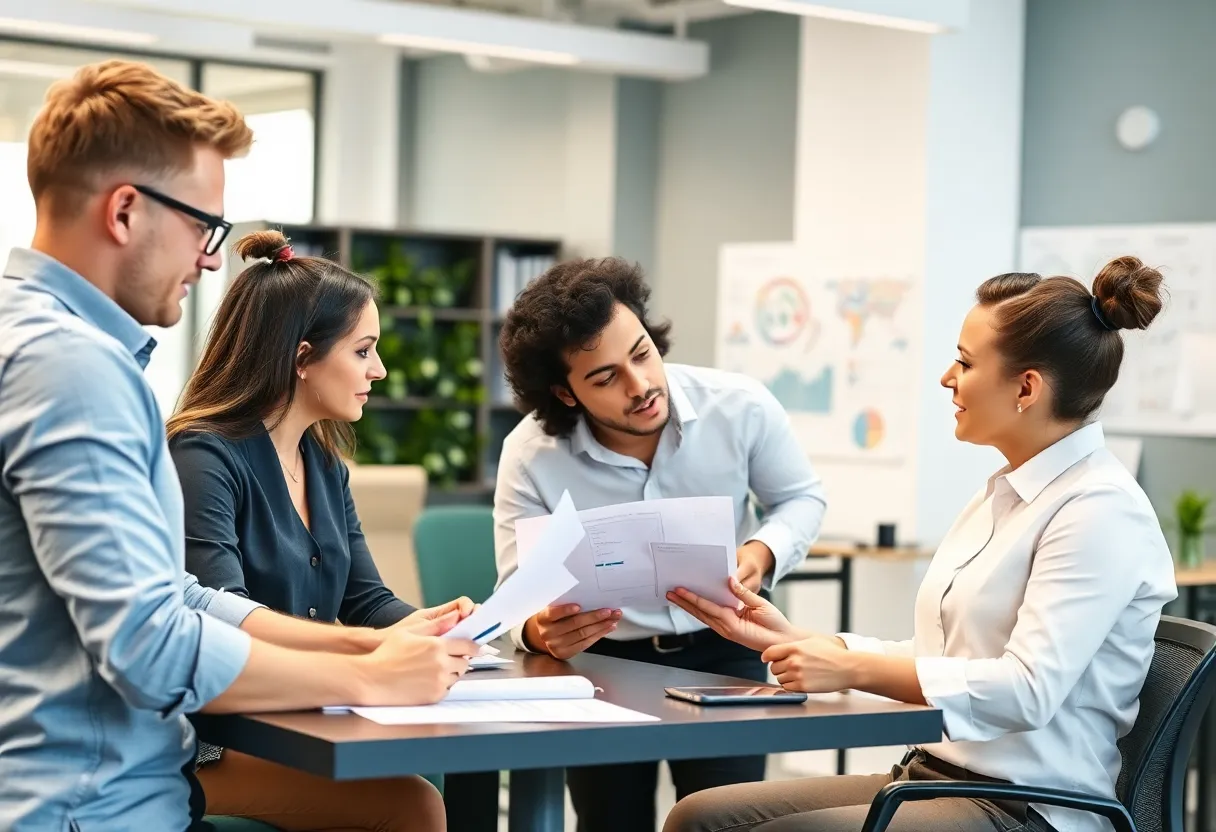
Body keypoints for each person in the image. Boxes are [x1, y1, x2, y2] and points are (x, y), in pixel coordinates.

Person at [0, 60, 476, 832]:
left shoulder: (57, 351)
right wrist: (373, 680)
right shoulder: (71, 368)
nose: (214, 257)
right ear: (125, 211)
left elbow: (178, 598)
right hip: (92, 810)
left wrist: (366, 649)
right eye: (203, 226)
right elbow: (147, 644)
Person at [662, 257, 1178, 832]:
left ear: (1026, 388)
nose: (947, 378)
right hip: (932, 778)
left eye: (964, 361)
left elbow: (1026, 690)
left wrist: (850, 668)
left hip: (1027, 807)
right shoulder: (1004, 494)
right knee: (698, 816)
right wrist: (798, 639)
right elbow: (942, 656)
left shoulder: (1100, 509)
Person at [494, 257, 828, 831]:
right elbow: (516, 590)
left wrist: (762, 552)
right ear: (565, 393)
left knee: (730, 820)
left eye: (642, 353)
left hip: (724, 647)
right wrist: (537, 630)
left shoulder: (740, 406)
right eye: (605, 378)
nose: (641, 385)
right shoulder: (531, 455)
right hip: (603, 661)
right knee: (610, 822)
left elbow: (801, 499)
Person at [166, 228, 478, 831]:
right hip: (210, 745)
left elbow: (367, 602)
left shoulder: (325, 463)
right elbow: (220, 621)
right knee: (412, 805)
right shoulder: (202, 457)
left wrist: (434, 626)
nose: (380, 370)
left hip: (300, 717)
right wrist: (371, 654)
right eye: (363, 351)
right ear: (302, 357)